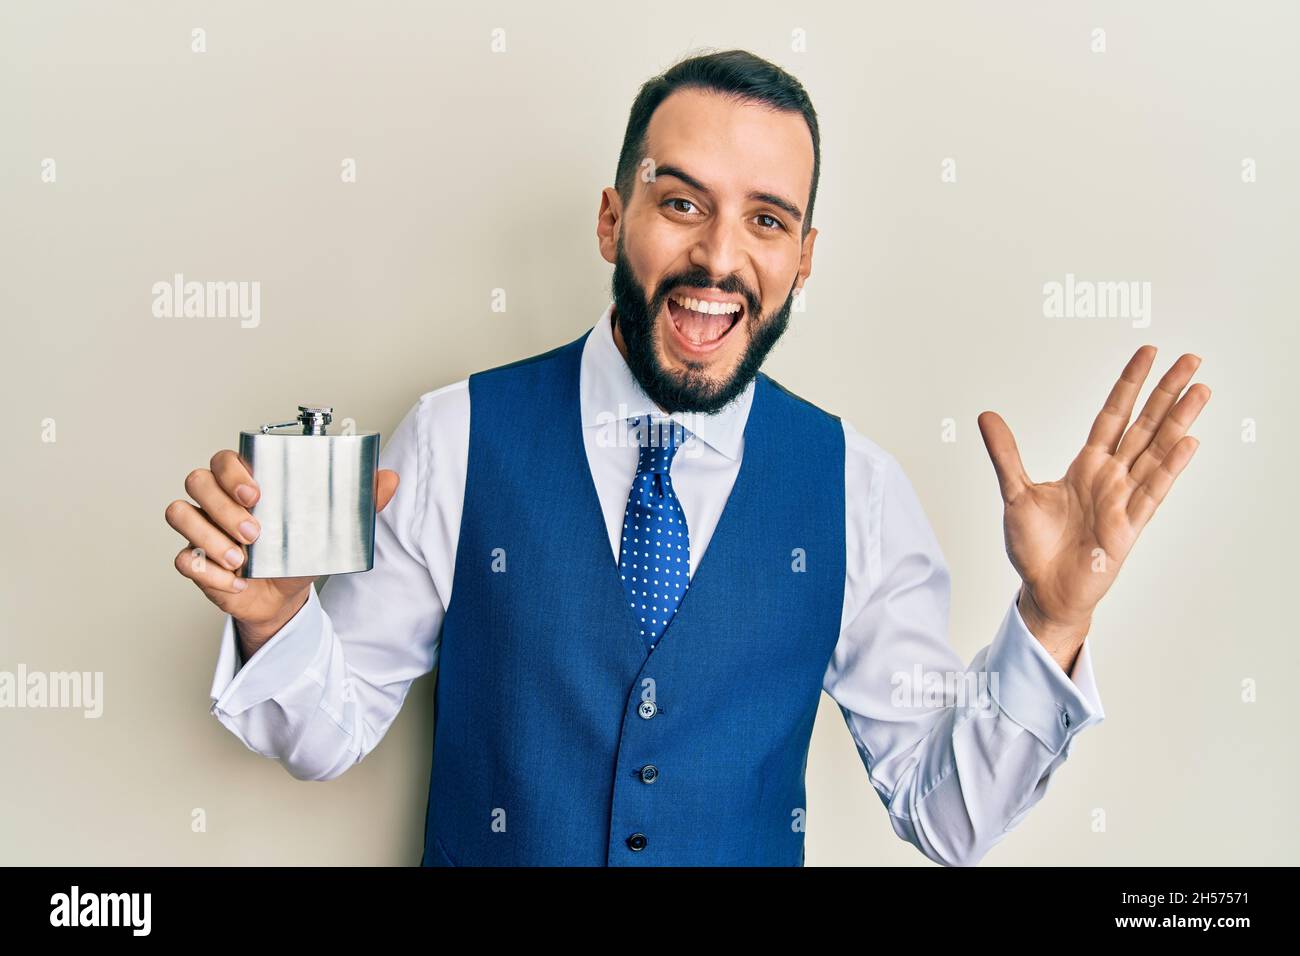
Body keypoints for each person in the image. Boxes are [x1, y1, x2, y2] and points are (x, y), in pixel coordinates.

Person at [166, 49, 1210, 866]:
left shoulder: (853, 489)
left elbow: (948, 814)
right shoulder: (454, 435)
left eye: (765, 219)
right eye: (681, 203)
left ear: (802, 259)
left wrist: (1054, 618)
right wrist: (276, 616)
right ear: (613, 217)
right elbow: (326, 733)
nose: (719, 255)